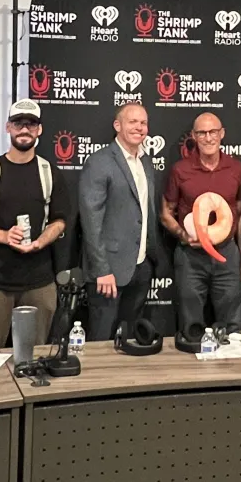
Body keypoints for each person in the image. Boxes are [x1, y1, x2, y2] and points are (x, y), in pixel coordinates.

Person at [0, 99, 70, 348]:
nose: (25, 129)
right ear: (8, 127)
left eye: (31, 124)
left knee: (35, 357)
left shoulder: (49, 172)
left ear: (39, 130)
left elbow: (60, 221)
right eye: (18, 123)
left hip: (39, 283)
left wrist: (41, 241)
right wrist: (3, 236)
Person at [78, 103, 166, 341]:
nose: (140, 127)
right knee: (102, 340)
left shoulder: (145, 162)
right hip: (109, 271)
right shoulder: (99, 161)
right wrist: (102, 270)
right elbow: (91, 218)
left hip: (140, 267)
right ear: (117, 125)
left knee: (129, 339)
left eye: (144, 123)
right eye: (133, 122)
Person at [161, 112, 241, 334]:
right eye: (202, 133)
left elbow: (240, 213)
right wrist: (183, 236)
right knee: (191, 327)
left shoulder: (236, 168)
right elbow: (165, 212)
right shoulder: (180, 170)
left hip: (226, 254)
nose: (208, 138)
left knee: (232, 328)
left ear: (222, 134)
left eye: (213, 132)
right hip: (191, 257)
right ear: (193, 136)